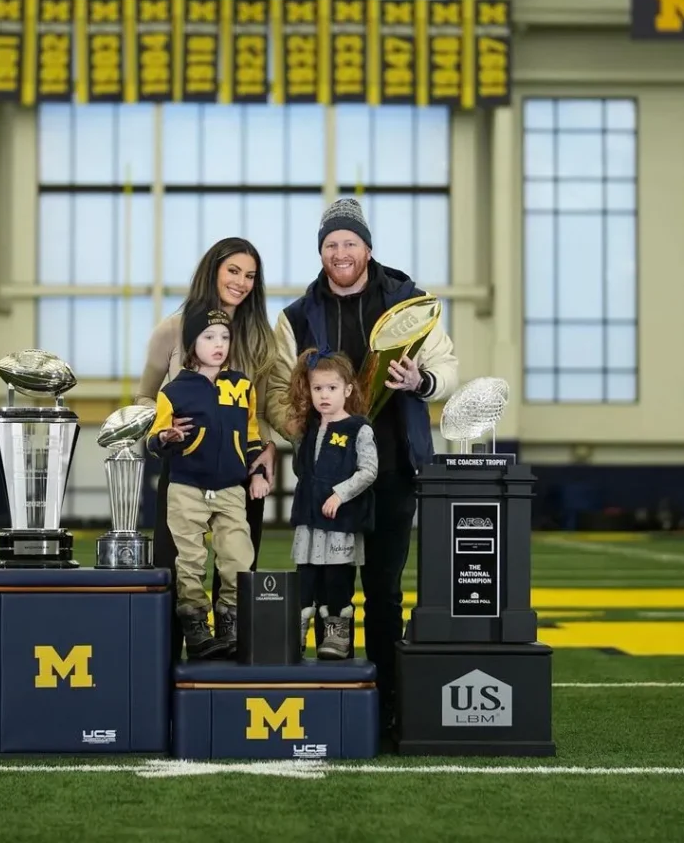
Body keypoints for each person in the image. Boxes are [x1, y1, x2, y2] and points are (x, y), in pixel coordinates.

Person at [266, 198, 459, 734]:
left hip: (395, 466)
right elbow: (278, 390)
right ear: (321, 252)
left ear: (368, 248)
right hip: (326, 481)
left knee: (384, 589)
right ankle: (329, 708)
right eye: (330, 244)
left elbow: (446, 367)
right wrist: (311, 438)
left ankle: (391, 707)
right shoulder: (296, 316)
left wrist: (420, 383)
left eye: (350, 242)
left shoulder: (410, 302)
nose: (340, 252)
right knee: (326, 586)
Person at [135, 238, 278, 660]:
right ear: (212, 269)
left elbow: (262, 408)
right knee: (178, 568)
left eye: (250, 275)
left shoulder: (258, 337)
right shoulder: (172, 330)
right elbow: (144, 396)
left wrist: (265, 449)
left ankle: (231, 664)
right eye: (233, 270)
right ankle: (167, 670)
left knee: (238, 564)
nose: (241, 282)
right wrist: (163, 426)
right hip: (185, 476)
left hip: (238, 473)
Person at [284, 346, 377, 661]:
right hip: (308, 519)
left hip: (341, 522)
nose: (324, 395)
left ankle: (336, 635)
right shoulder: (309, 427)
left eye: (332, 388)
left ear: (347, 390)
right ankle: (294, 633)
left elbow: (369, 471)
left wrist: (340, 494)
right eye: (317, 388)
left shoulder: (359, 428)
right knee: (305, 579)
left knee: (337, 580)